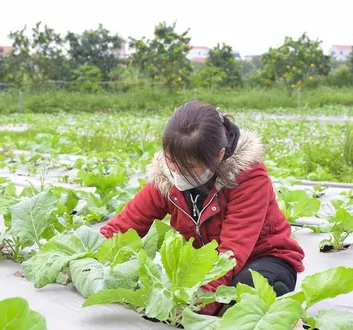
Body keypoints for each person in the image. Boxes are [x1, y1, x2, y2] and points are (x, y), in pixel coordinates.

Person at [100, 101, 305, 316]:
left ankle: (274, 305)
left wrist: (195, 304)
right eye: (171, 160)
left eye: (188, 166)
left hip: (264, 259)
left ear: (218, 156)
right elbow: (126, 225)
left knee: (243, 291)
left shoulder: (248, 179)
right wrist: (93, 259)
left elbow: (232, 254)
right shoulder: (165, 178)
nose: (177, 171)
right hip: (207, 266)